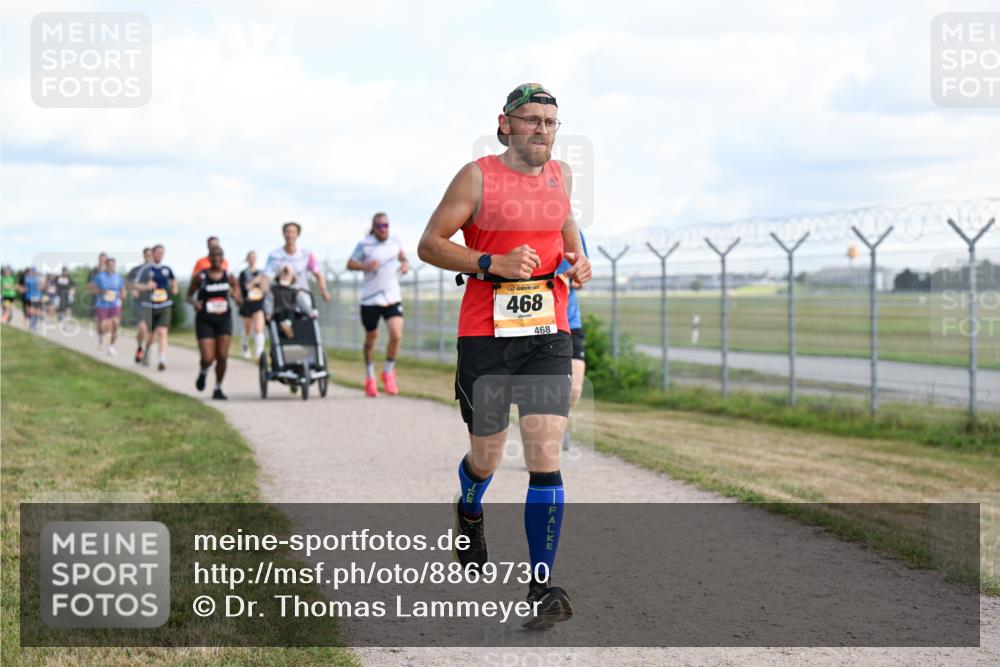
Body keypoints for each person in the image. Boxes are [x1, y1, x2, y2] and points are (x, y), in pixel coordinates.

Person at [417, 83, 591, 630]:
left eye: (550, 121)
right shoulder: (477, 176)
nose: (542, 128)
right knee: (487, 457)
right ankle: (469, 507)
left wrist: (578, 260)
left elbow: (567, 230)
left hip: (547, 331)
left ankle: (541, 588)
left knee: (544, 451)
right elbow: (430, 243)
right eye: (531, 118)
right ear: (506, 123)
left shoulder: (562, 175)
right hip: (486, 335)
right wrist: (490, 261)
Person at [347, 212, 409, 397]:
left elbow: (403, 257)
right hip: (370, 299)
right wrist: (365, 266)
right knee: (371, 338)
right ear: (374, 228)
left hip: (391, 297)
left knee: (396, 334)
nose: (384, 229)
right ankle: (369, 378)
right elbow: (350, 264)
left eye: (386, 225)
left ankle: (388, 372)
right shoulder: (364, 244)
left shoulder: (395, 241)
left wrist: (405, 264)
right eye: (380, 226)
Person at [187, 246, 242, 400]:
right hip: (205, 320)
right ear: (209, 258)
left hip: (223, 320)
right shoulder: (201, 277)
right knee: (208, 358)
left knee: (223, 356)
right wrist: (194, 303)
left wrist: (236, 295)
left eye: (220, 255)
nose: (217, 258)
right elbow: (188, 295)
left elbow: (239, 300)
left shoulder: (229, 277)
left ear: (223, 258)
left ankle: (218, 387)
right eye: (214, 255)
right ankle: (203, 372)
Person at [555, 230, 589, 451]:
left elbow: (581, 275)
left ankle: (560, 424)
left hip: (571, 321)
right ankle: (543, 435)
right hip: (543, 322)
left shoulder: (573, 232)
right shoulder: (524, 230)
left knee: (574, 389)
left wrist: (572, 277)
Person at [263, 221, 331, 305]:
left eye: (293, 232)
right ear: (283, 234)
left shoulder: (307, 255)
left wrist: (324, 291)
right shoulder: (274, 255)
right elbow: (265, 278)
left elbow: (318, 275)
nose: (290, 235)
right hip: (281, 301)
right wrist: (266, 295)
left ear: (298, 235)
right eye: (287, 232)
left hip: (302, 298)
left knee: (312, 316)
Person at [136, 245, 177, 371]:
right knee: (151, 335)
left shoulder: (166, 269)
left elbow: (174, 279)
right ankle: (146, 352)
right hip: (149, 306)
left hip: (164, 305)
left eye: (162, 253)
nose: (159, 255)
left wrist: (175, 288)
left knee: (163, 332)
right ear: (152, 254)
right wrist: (146, 286)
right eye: (157, 252)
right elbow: (137, 286)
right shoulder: (145, 269)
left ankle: (162, 360)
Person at [92, 257, 125, 356]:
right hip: (102, 304)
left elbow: (122, 289)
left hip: (115, 304)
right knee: (104, 326)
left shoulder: (118, 277)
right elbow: (93, 289)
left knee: (116, 324)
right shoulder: (100, 276)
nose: (112, 267)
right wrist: (102, 292)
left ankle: (111, 347)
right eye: (110, 265)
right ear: (106, 265)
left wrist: (122, 296)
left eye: (113, 265)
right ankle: (101, 335)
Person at [238, 251, 268, 359]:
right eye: (250, 257)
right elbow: (242, 289)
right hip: (247, 304)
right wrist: (252, 283)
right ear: (247, 259)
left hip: (258, 303)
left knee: (259, 328)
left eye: (254, 257)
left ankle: (259, 352)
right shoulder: (243, 274)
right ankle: (245, 347)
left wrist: (261, 283)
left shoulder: (261, 273)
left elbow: (265, 289)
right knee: (248, 329)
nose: (252, 259)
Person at [126, 247, 153, 364]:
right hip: (140, 303)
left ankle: (147, 352)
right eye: (147, 254)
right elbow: (127, 283)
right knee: (142, 329)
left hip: (154, 304)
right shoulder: (136, 270)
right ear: (143, 255)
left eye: (151, 254)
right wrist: (133, 289)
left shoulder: (158, 270)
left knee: (151, 332)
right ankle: (140, 347)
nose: (149, 257)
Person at [87, 253, 108, 346]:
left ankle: (105, 333)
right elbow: (89, 285)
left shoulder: (109, 271)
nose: (102, 262)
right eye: (101, 260)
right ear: (98, 260)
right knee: (99, 320)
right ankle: (100, 336)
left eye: (104, 260)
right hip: (97, 298)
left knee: (107, 319)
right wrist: (95, 289)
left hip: (108, 299)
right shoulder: (93, 272)